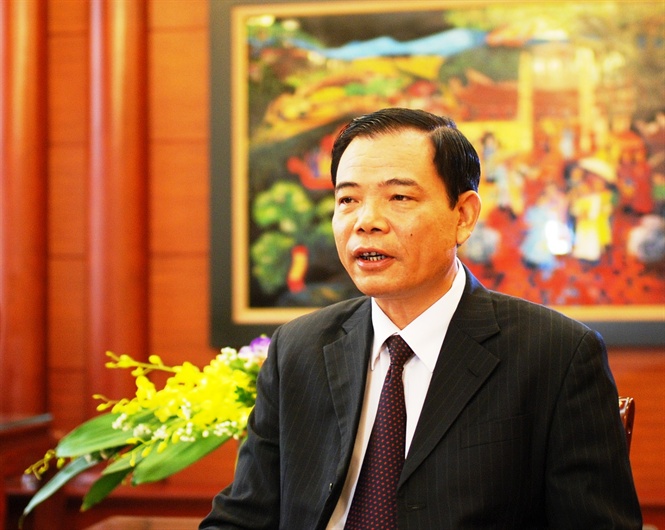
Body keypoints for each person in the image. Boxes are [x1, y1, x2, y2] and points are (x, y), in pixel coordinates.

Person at [200, 108, 641, 529]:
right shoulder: (298, 349)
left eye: (399, 197)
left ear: (463, 216)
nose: (366, 222)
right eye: (348, 199)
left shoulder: (556, 354)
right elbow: (243, 518)